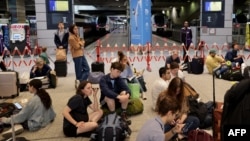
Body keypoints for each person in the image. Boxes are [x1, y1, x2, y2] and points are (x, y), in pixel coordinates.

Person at [68, 24, 90, 88]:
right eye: (75, 29)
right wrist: (81, 43)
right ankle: (80, 83)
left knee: (87, 69)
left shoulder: (77, 35)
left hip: (81, 54)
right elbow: (77, 46)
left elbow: (83, 41)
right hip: (76, 56)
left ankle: (80, 81)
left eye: (77, 28)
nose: (76, 30)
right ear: (71, 30)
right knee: (78, 71)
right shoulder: (71, 38)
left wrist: (81, 42)